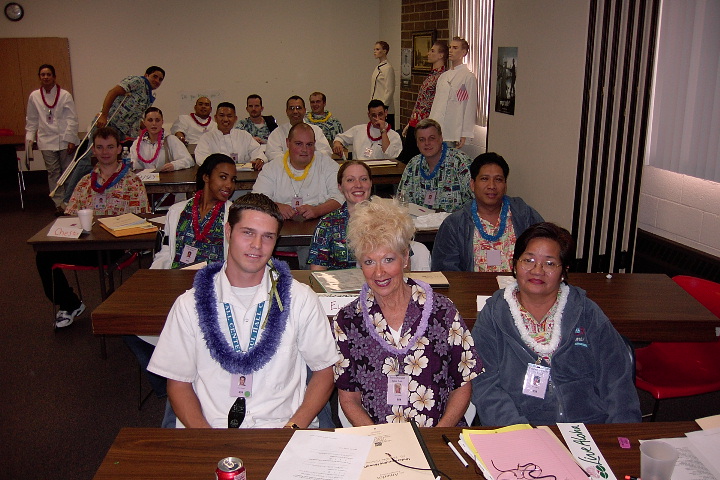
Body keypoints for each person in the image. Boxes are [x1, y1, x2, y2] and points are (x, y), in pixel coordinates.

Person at [147, 193, 338, 428]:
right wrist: (208, 440)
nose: (257, 246)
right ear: (228, 232)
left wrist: (293, 428)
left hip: (282, 430)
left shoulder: (300, 299)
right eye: (248, 233)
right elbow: (178, 384)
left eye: (268, 237)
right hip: (212, 430)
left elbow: (324, 371)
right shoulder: (189, 305)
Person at [471, 223, 641, 425]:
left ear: (564, 271)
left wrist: (620, 436)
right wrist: (517, 431)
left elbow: (617, 380)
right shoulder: (494, 314)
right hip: (521, 428)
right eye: (529, 260)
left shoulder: (586, 311)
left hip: (588, 426)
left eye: (550, 263)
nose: (537, 270)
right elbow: (484, 383)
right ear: (515, 264)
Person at [333, 197, 483, 426]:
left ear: (405, 258)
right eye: (369, 262)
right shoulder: (348, 321)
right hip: (378, 440)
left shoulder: (443, 312)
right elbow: (349, 398)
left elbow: (462, 385)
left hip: (437, 434)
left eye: (388, 259)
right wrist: (380, 440)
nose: (379, 272)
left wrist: (436, 438)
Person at [36, 127, 149, 328]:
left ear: (119, 149)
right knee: (44, 255)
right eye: (99, 147)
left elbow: (141, 221)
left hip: (117, 247)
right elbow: (69, 217)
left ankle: (117, 310)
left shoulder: (133, 182)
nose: (105, 152)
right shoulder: (84, 182)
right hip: (87, 244)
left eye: (110, 147)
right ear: (94, 151)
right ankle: (70, 304)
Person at [63, 66, 165, 204]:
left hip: (121, 132)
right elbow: (113, 92)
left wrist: (149, 127)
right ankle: (68, 200)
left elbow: (135, 117)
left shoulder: (149, 96)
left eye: (160, 79)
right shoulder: (137, 81)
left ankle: (112, 197)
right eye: (155, 76)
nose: (157, 81)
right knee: (87, 161)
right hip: (108, 124)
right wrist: (104, 115)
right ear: (146, 75)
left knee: (115, 164)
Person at [431, 152, 544, 272]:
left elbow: (546, 253)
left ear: (505, 185)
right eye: (484, 179)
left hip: (519, 289)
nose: (492, 186)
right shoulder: (454, 224)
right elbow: (445, 272)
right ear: (473, 185)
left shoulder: (525, 215)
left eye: (498, 179)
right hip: (472, 289)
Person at [151, 153, 236, 269]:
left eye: (233, 180)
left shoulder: (233, 215)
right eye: (223, 177)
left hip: (213, 282)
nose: (229, 185)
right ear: (206, 177)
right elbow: (165, 252)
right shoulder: (177, 211)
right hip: (178, 278)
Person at [253, 123, 343, 221]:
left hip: (321, 224)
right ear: (288, 143)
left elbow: (341, 197)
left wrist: (318, 210)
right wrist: (275, 207)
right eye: (298, 144)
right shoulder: (272, 168)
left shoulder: (327, 164)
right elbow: (256, 199)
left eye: (309, 144)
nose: (304, 150)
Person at [25, 64, 80, 214]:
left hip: (64, 139)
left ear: (54, 77)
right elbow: (32, 119)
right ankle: (58, 204)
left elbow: (72, 119)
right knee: (53, 172)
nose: (46, 77)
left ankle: (69, 202)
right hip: (45, 140)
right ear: (39, 77)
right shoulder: (34, 96)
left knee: (67, 172)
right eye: (43, 74)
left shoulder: (65, 95)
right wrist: (30, 138)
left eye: (49, 74)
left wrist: (70, 139)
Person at [307, 161, 372, 270]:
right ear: (340, 187)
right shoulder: (327, 224)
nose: (358, 185)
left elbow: (404, 262)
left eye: (364, 179)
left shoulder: (389, 219)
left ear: (371, 183)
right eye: (350, 180)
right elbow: (317, 272)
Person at [397, 119, 472, 212]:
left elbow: (477, 200)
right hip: (419, 222)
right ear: (417, 143)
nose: (427, 143)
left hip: (454, 224)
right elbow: (401, 200)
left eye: (432, 138)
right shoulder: (413, 165)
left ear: (441, 138)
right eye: (422, 140)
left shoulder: (460, 162)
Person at [398, 42, 447, 164]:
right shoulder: (432, 75)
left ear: (441, 55)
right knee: (408, 158)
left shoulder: (442, 77)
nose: (428, 54)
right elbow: (421, 100)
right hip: (416, 120)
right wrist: (410, 122)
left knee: (417, 158)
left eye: (433, 51)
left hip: (426, 122)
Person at [429, 37, 477, 149]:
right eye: (450, 47)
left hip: (452, 131)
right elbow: (436, 104)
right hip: (436, 128)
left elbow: (469, 107)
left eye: (455, 48)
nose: (451, 50)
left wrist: (465, 133)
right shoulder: (443, 76)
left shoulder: (468, 77)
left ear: (463, 52)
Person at [194, 102, 266, 170]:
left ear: (235, 119)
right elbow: (201, 158)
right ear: (215, 118)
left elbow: (257, 151)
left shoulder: (244, 135)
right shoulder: (207, 138)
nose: (225, 119)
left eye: (229, 116)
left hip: (242, 177)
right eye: (222, 115)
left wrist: (259, 159)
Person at [265, 96, 332, 163]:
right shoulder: (277, 133)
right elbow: (272, 155)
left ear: (305, 110)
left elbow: (325, 152)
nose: (295, 111)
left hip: (313, 170)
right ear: (286, 111)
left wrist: (306, 160)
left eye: (298, 108)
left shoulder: (316, 130)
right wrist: (295, 163)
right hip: (285, 171)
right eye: (291, 108)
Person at [332, 100, 402, 160]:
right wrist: (337, 143)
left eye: (380, 114)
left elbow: (390, 156)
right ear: (369, 115)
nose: (377, 118)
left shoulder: (394, 136)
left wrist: (383, 130)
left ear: (386, 113)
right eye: (374, 115)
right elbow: (340, 138)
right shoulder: (358, 130)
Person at [130, 107, 194, 172]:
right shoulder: (138, 143)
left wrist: (174, 165)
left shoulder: (170, 139)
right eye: (150, 120)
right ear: (144, 122)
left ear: (162, 122)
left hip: (166, 179)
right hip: (145, 179)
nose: (154, 123)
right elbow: (134, 164)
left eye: (157, 120)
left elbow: (189, 160)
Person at [371, 41, 396, 129]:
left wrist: (383, 108)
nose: (375, 51)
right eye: (374, 49)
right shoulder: (378, 67)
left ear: (384, 51)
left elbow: (390, 90)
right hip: (375, 107)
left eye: (377, 49)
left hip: (385, 109)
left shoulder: (388, 68)